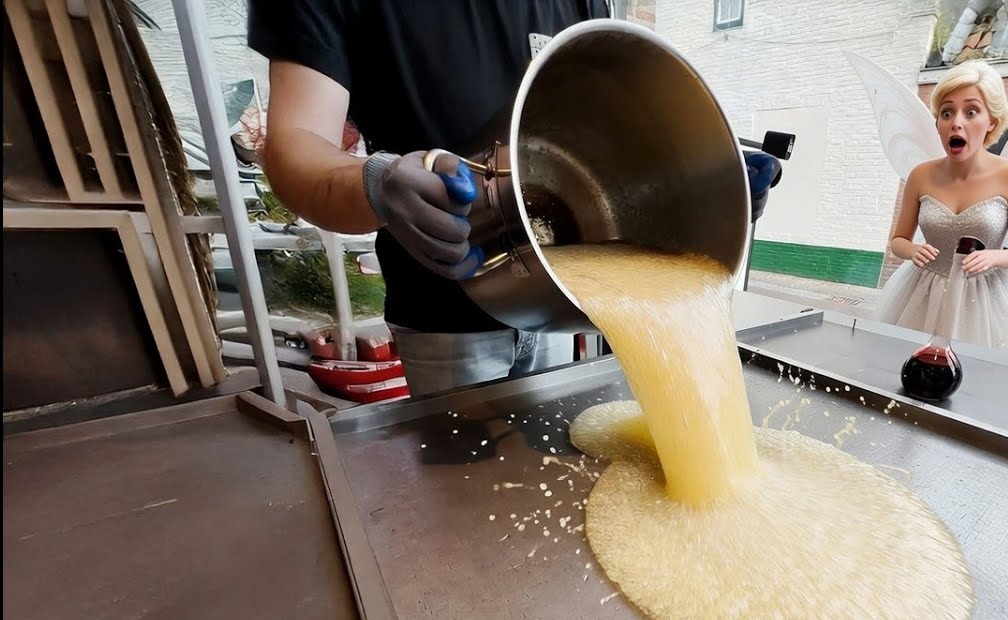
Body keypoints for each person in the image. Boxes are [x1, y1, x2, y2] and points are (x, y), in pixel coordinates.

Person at [246, 2, 781, 395]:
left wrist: (707, 180)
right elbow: (295, 147)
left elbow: (606, 129)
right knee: (465, 504)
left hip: (557, 301)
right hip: (443, 317)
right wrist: (378, 180)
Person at [873, 60, 1008, 362]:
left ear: (992, 122)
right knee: (903, 368)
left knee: (980, 378)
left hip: (986, 298)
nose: (956, 122)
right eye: (947, 113)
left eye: (970, 112)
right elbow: (898, 240)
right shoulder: (920, 175)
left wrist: (995, 256)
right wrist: (911, 250)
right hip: (923, 292)